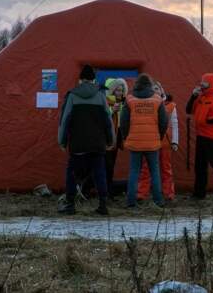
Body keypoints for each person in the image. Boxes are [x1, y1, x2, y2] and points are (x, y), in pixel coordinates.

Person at [58, 65, 114, 215]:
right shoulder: (101, 95)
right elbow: (108, 121)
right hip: (97, 143)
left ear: (80, 80)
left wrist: (62, 141)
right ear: (93, 80)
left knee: (72, 173)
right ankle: (103, 205)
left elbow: (65, 121)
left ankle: (70, 204)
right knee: (99, 172)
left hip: (78, 144)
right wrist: (110, 141)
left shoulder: (72, 95)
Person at [120, 73, 168, 208]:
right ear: (150, 85)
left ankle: (131, 202)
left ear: (136, 85)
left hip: (135, 142)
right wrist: (159, 136)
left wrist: (126, 137)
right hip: (153, 143)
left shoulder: (129, 100)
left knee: (134, 171)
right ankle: (158, 201)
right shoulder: (157, 100)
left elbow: (123, 122)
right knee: (155, 171)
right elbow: (164, 121)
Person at [186, 73, 213, 200]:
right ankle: (199, 194)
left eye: (204, 84)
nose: (202, 86)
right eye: (201, 84)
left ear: (210, 83)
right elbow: (188, 110)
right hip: (200, 137)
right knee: (199, 167)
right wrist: (193, 96)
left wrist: (207, 120)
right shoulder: (201, 97)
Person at [137, 81, 178, 201]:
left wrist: (175, 141)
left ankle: (168, 194)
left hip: (165, 142)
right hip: (150, 141)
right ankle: (141, 194)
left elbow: (174, 124)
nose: (155, 91)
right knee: (146, 168)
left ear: (161, 90)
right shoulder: (147, 104)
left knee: (166, 169)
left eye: (157, 88)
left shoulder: (171, 106)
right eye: (153, 89)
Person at [104, 78, 128, 197]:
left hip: (117, 135)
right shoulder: (106, 101)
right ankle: (105, 190)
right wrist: (111, 111)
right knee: (106, 164)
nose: (120, 92)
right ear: (112, 91)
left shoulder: (123, 102)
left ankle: (108, 189)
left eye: (121, 90)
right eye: (117, 90)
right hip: (107, 136)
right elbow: (102, 118)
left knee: (111, 163)